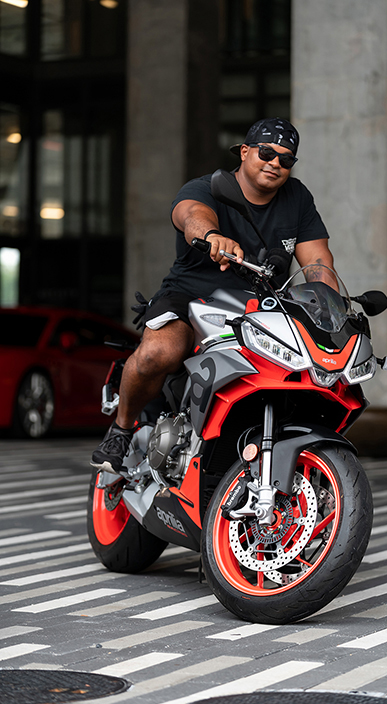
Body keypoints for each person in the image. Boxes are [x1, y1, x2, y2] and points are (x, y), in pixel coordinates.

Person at [91, 117, 335, 475]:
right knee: (160, 351)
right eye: (266, 153)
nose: (275, 163)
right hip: (192, 296)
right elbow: (191, 215)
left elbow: (317, 262)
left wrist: (330, 308)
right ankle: (121, 430)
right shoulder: (208, 187)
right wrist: (211, 236)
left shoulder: (296, 198)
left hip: (261, 307)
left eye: (286, 159)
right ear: (245, 151)